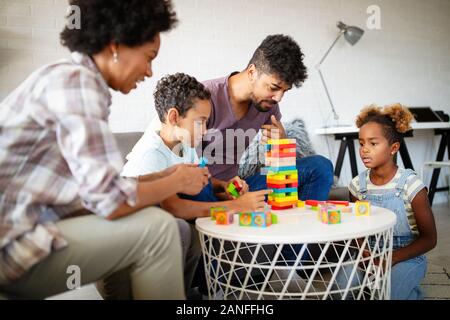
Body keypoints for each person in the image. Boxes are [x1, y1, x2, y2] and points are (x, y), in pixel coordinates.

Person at [0, 0, 210, 300]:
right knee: (161, 229)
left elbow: (93, 191)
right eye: (149, 57)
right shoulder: (77, 84)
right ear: (116, 45)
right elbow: (110, 201)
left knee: (153, 225)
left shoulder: (67, 77)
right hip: (12, 245)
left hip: (18, 232)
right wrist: (176, 182)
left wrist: (163, 176)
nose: (150, 72)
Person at [122, 73, 272, 293]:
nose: (206, 130)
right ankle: (213, 284)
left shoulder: (185, 144)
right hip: (141, 225)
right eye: (200, 122)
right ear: (174, 117)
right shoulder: (152, 154)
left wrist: (224, 186)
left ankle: (219, 280)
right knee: (221, 203)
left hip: (176, 215)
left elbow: (203, 179)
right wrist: (236, 206)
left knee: (230, 189)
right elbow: (175, 207)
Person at [201, 34, 334, 200]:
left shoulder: (267, 105)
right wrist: (220, 187)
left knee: (320, 166)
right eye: (273, 87)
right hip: (204, 190)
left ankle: (306, 220)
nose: (278, 98)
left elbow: (283, 171)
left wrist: (281, 143)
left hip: (237, 189)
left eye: (284, 91)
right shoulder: (204, 97)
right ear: (252, 72)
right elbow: (182, 164)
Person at [333, 104, 437, 300]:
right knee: (337, 292)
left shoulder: (411, 185)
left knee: (389, 294)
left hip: (407, 257)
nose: (364, 150)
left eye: (373, 143)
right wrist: (365, 256)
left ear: (393, 148)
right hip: (368, 256)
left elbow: (430, 239)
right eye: (361, 143)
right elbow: (358, 231)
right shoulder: (357, 186)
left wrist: (390, 259)